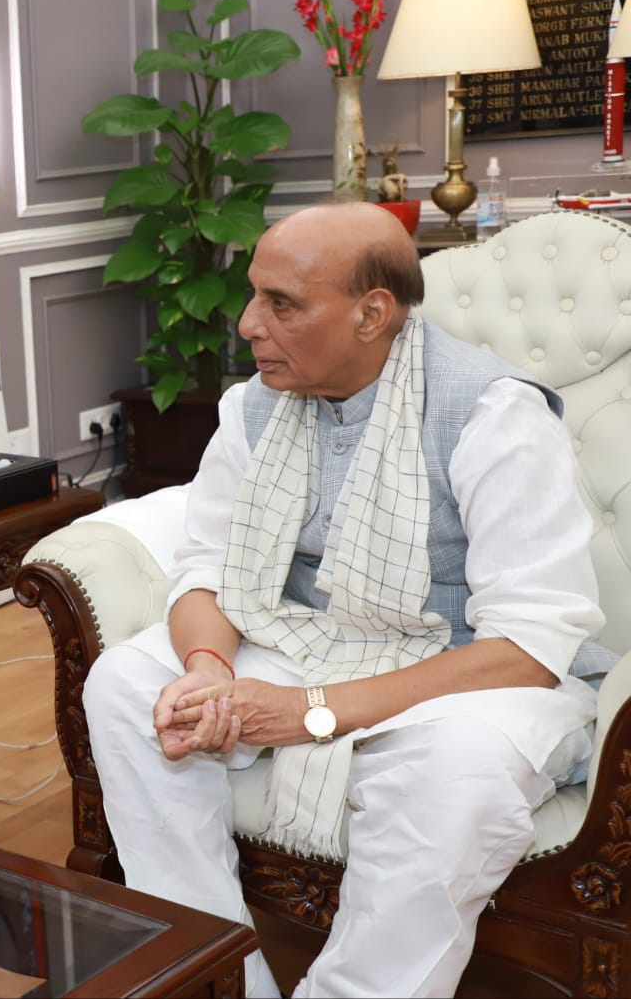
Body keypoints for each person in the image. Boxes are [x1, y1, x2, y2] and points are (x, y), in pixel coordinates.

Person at [84, 203, 611, 998]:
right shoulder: (253, 407)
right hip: (304, 637)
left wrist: (312, 712)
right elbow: (210, 570)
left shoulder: (494, 413)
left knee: (455, 772)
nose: (248, 324)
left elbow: (530, 646)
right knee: (128, 684)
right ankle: (217, 980)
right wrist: (206, 669)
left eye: (282, 304)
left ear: (373, 314)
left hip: (469, 673)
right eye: (254, 295)